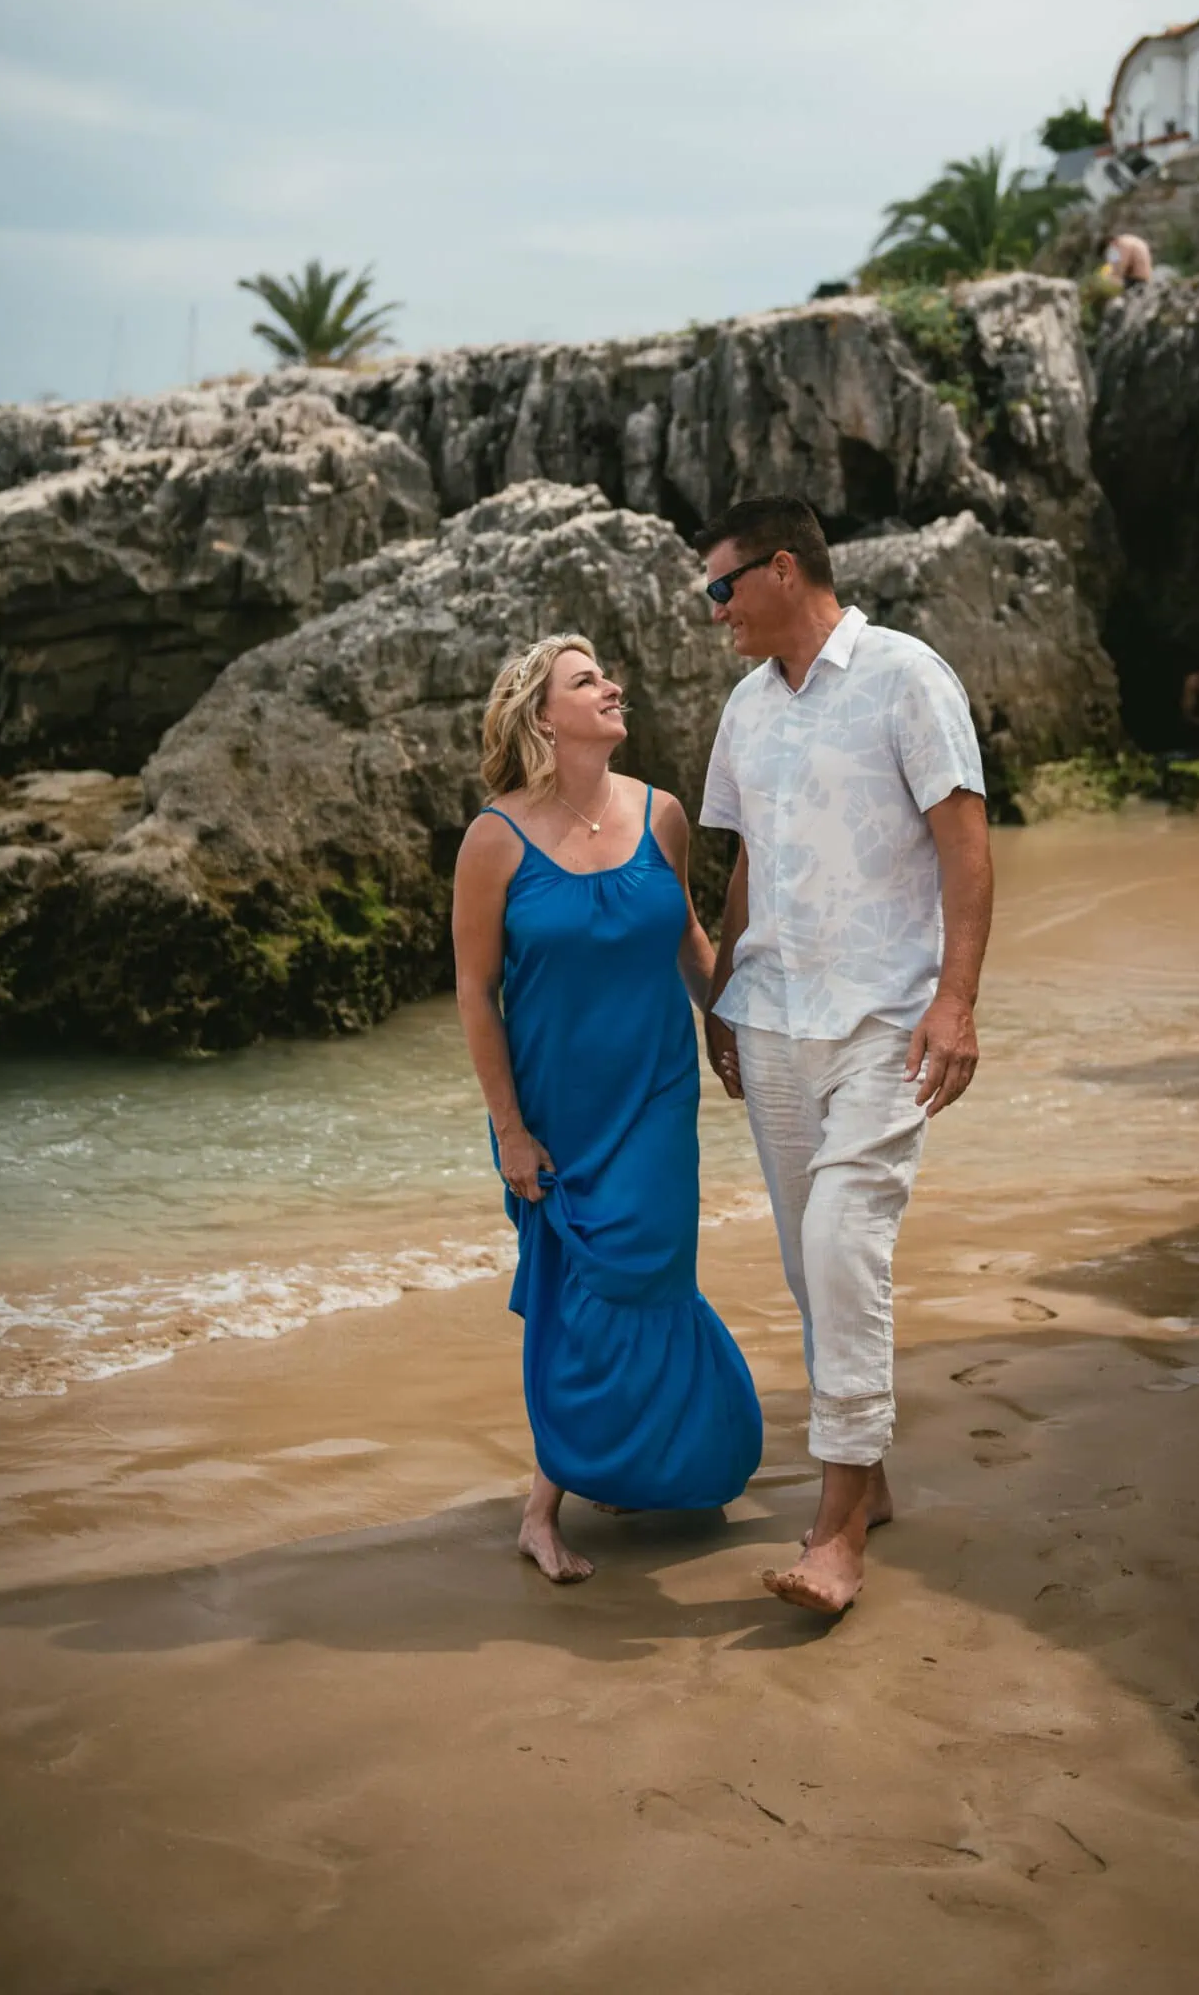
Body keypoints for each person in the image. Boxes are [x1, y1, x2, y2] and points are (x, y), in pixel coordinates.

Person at [696, 497, 994, 1617]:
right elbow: (748, 864)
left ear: (783, 569)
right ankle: (866, 1474)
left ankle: (834, 1532)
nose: (713, 610)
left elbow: (965, 845)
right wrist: (722, 996)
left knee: (840, 1240)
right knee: (804, 1262)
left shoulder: (907, 676)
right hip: (773, 1016)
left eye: (721, 586)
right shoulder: (743, 707)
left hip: (885, 1015)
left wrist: (956, 1001)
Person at [452, 634, 763, 1584]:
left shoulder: (661, 813)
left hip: (657, 1096)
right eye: (586, 680)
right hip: (556, 1110)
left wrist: (729, 1031)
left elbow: (691, 941)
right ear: (543, 719)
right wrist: (510, 1128)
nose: (611, 686)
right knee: (578, 1293)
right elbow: (475, 993)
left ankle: (636, 1464)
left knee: (643, 1276)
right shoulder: (494, 839)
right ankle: (544, 1510)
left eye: (605, 675)